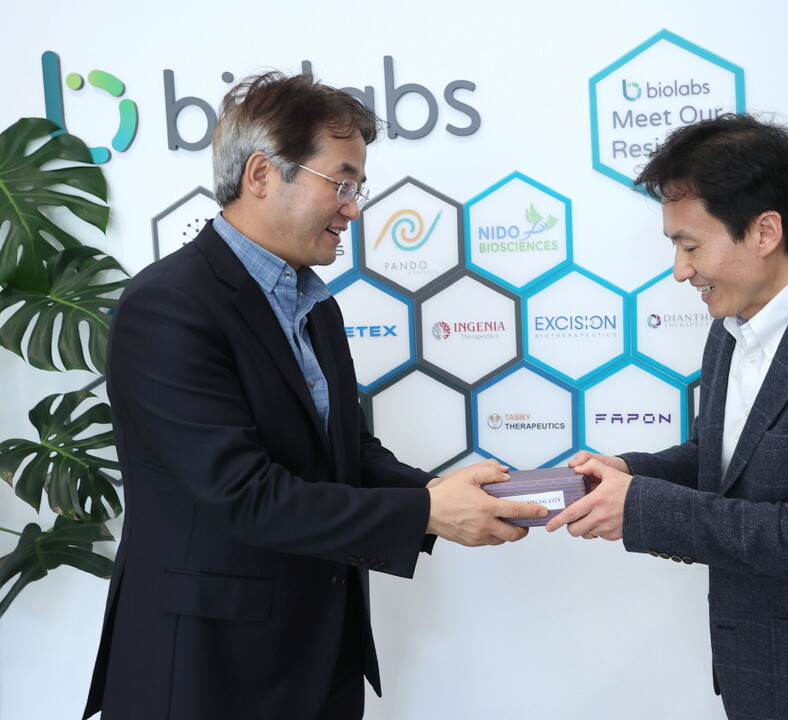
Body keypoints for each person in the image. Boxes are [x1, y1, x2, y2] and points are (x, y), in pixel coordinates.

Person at [83, 71, 546, 720]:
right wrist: (427, 512)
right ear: (261, 175)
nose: (353, 209)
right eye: (342, 183)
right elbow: (245, 496)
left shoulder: (313, 303)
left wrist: (454, 494)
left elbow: (348, 454)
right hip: (207, 670)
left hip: (318, 654)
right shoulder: (168, 306)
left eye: (358, 188)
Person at [547, 114, 788, 719]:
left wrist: (639, 506)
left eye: (690, 246)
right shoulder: (730, 328)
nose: (680, 269)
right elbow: (720, 460)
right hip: (754, 673)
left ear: (765, 231)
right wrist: (627, 471)